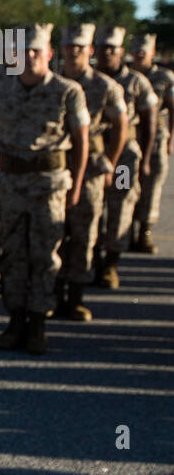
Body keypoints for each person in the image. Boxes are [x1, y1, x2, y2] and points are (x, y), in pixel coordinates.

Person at [0, 23, 88, 354]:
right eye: (23, 51)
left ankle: (38, 322)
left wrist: (77, 186)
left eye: (36, 51)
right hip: (10, 183)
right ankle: (16, 319)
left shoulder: (67, 91)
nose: (29, 57)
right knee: (12, 254)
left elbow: (81, 141)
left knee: (44, 255)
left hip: (49, 185)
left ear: (49, 55)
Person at [55, 23, 125, 321]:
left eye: (80, 48)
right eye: (70, 47)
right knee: (54, 232)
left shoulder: (105, 86)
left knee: (84, 233)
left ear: (90, 51)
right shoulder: (52, 83)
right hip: (57, 166)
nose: (74, 53)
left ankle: (75, 297)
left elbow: (121, 126)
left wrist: (110, 161)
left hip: (92, 167)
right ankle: (51, 294)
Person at [95, 26, 157, 287]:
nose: (107, 53)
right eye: (102, 48)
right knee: (92, 207)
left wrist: (145, 160)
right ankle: (91, 259)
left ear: (121, 51)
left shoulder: (135, 81)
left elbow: (149, 121)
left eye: (113, 48)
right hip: (95, 152)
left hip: (125, 157)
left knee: (121, 206)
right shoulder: (86, 80)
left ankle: (111, 263)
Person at [129, 33, 172, 253]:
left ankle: (144, 231)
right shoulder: (124, 77)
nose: (139, 54)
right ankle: (124, 230)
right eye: (136, 50)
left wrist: (171, 139)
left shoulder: (165, 77)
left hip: (156, 142)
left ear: (152, 53)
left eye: (144, 51)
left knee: (151, 187)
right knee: (123, 185)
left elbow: (173, 108)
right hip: (127, 144)